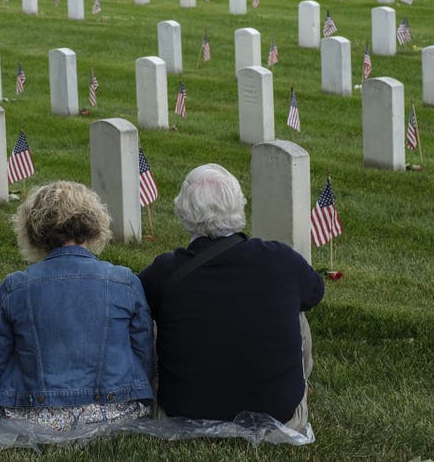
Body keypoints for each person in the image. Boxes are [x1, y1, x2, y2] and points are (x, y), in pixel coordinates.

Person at [138, 164, 324, 430]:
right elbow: (315, 291)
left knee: (152, 314)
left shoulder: (164, 271)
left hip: (184, 414)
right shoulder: (281, 259)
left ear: (182, 212)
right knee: (296, 305)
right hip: (279, 416)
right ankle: (297, 386)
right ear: (239, 206)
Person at [0, 181, 155, 431]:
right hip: (115, 413)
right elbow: (144, 356)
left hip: (33, 417)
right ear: (94, 224)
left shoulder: (15, 287)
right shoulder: (124, 281)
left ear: (33, 229)